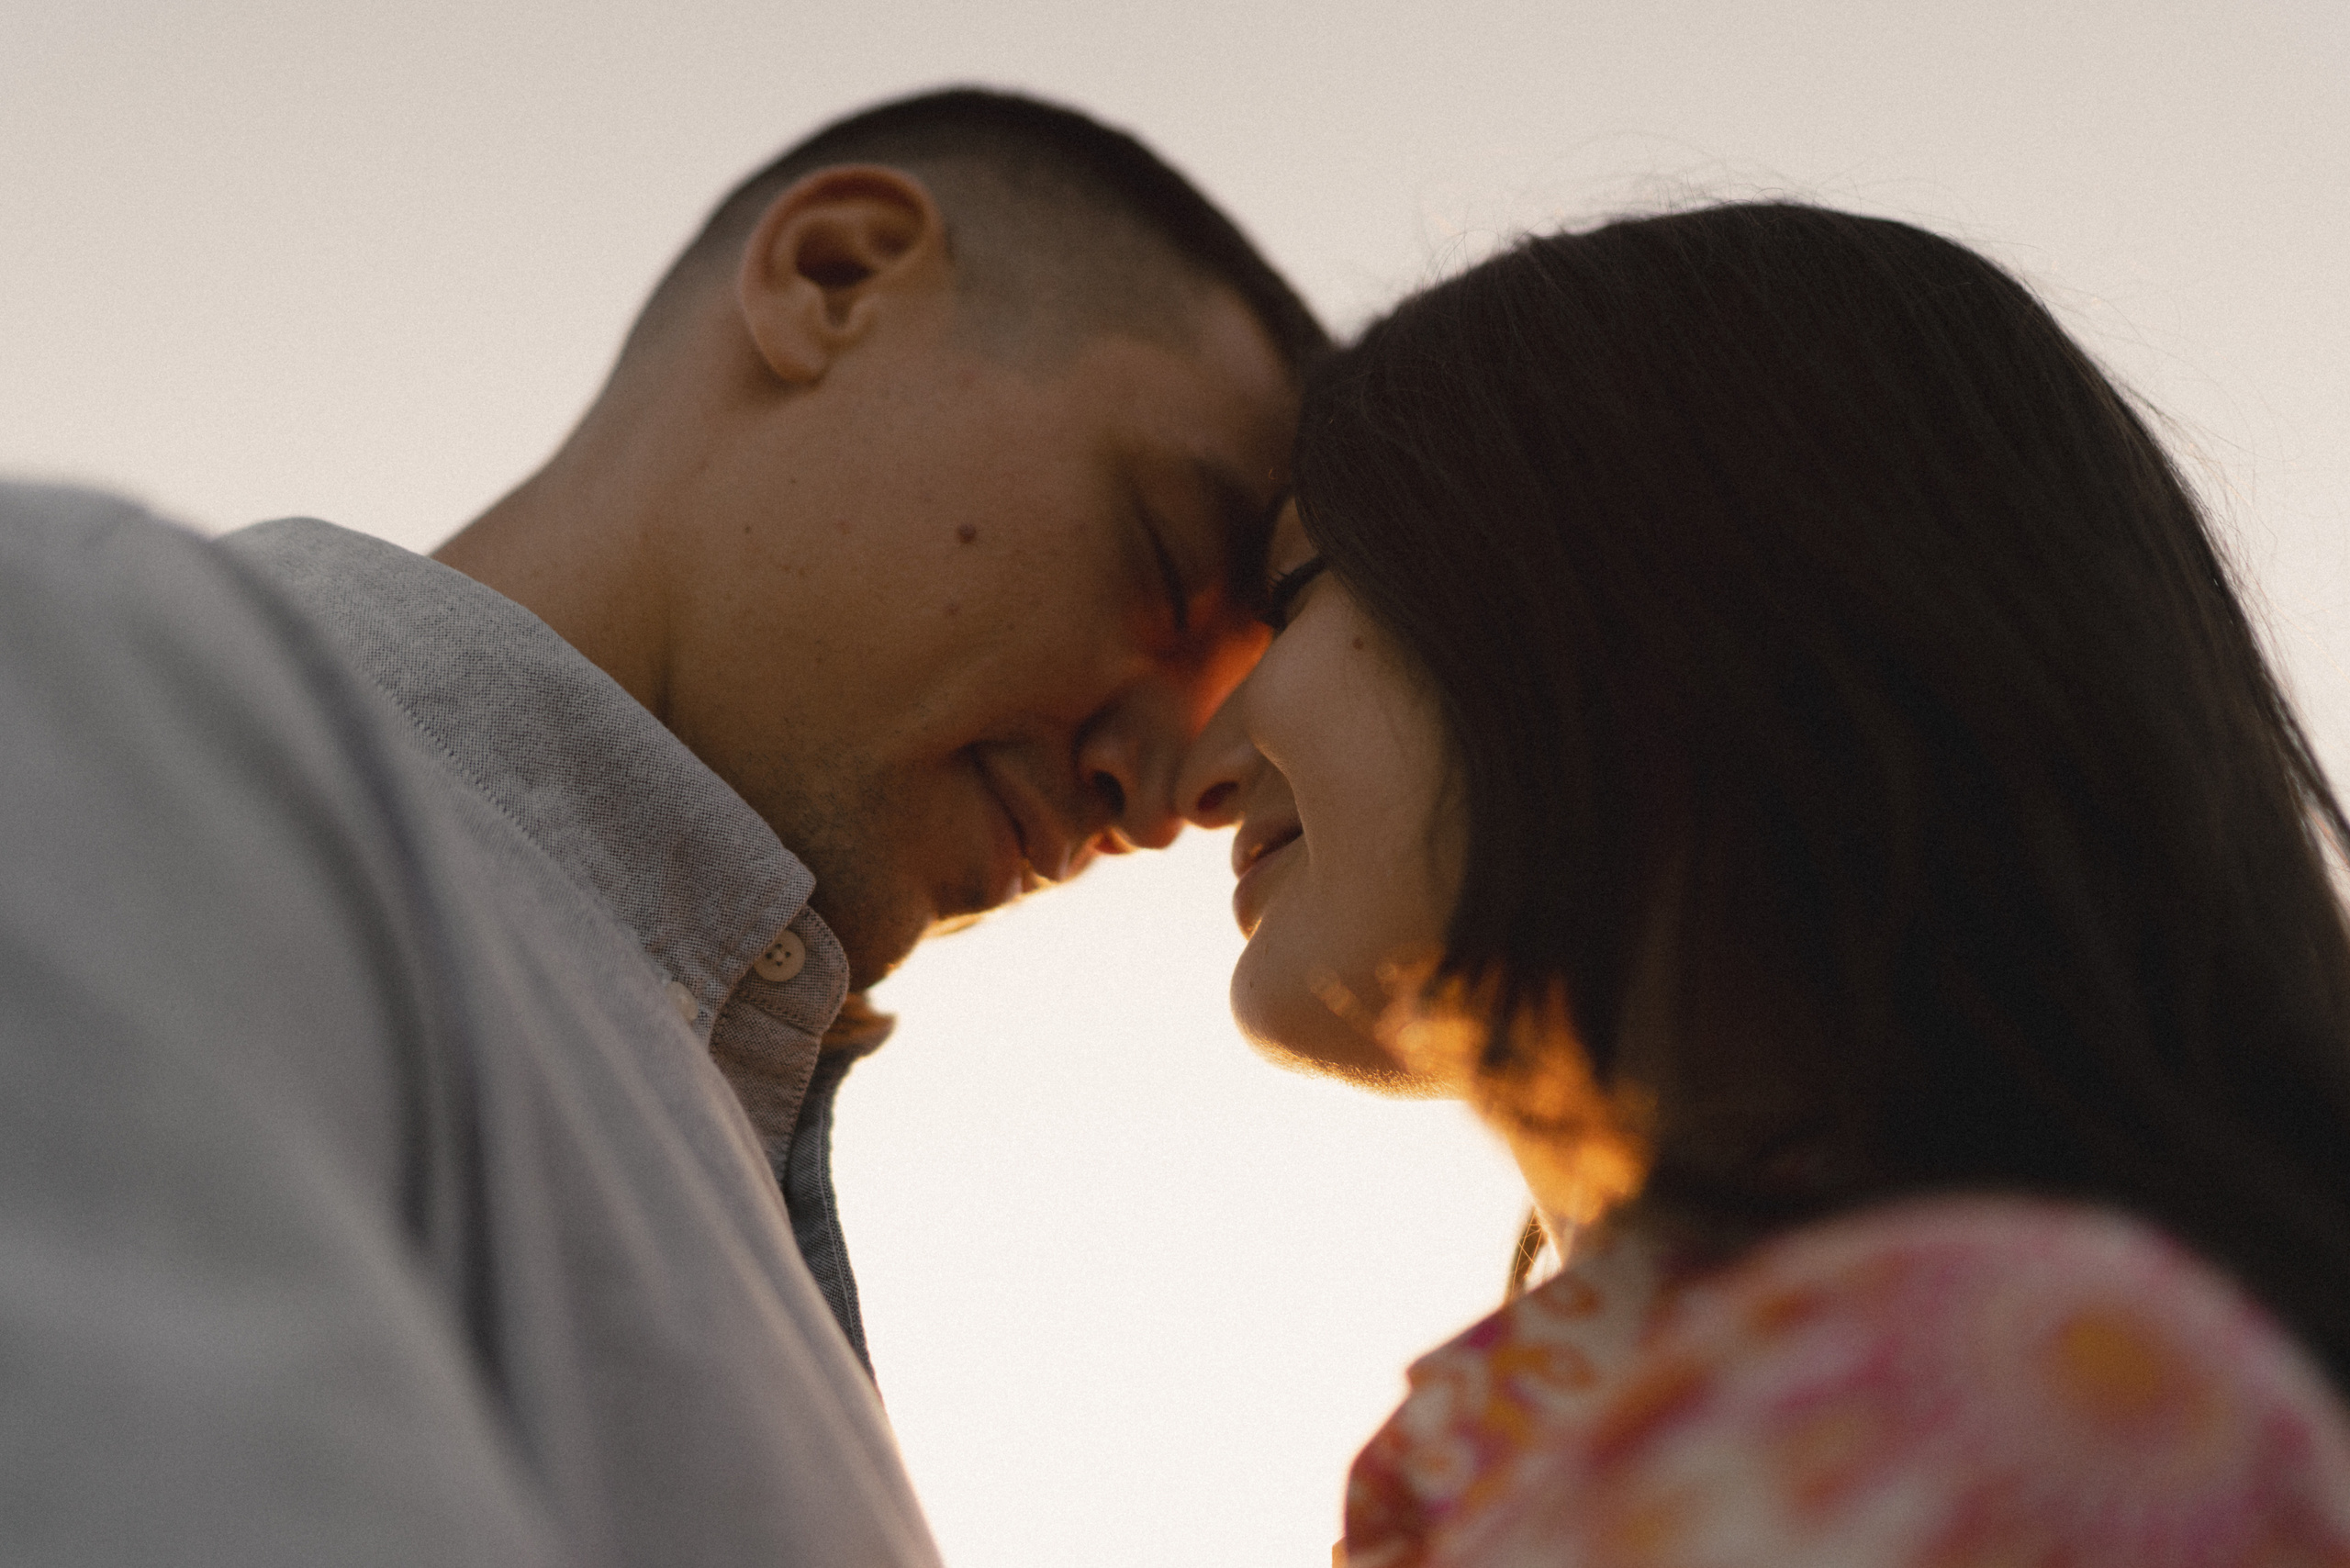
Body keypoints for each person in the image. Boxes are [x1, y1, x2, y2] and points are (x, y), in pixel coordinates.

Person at [0, 88, 1319, 1566]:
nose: (1155, 803)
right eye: (1155, 558)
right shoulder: (95, 682)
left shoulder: (709, 1135)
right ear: (831, 278)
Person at [1174, 203, 2350, 1565]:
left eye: (1288, 600)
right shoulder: (1594, 1434)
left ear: (1637, 603)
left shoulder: (2004, 1397)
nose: (1198, 766)